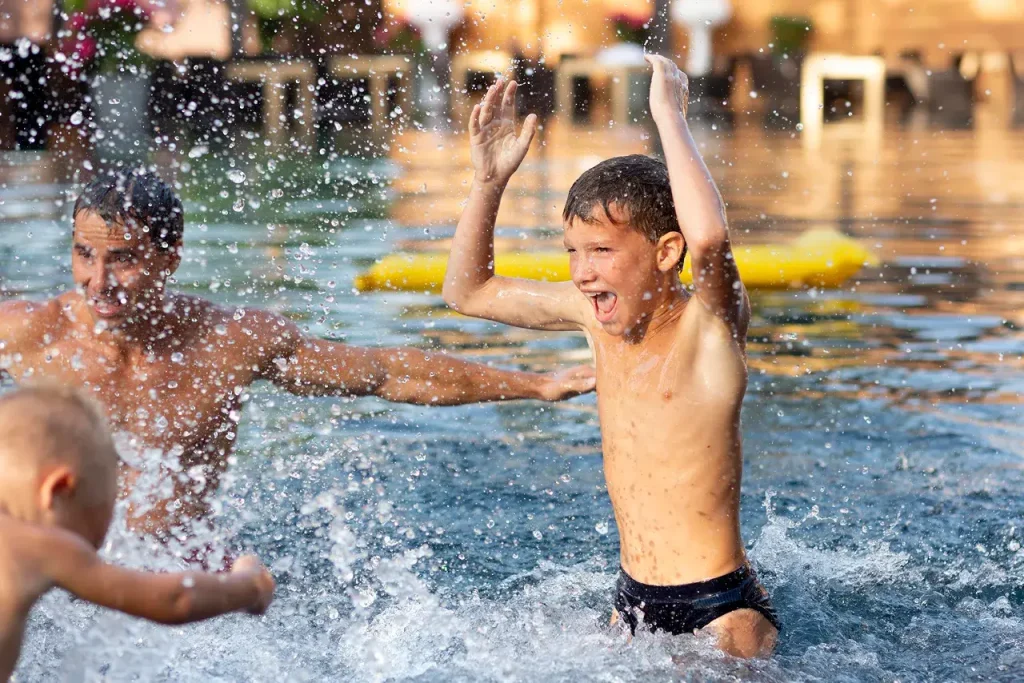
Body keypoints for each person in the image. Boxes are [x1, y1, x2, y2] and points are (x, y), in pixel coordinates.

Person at [0, 170, 595, 538]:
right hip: (60, 570)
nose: (98, 281)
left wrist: (536, 385)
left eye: (123, 259)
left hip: (182, 571)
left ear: (171, 255)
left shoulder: (227, 342)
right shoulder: (31, 334)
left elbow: (384, 374)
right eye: (84, 255)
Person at [441, 56, 779, 658]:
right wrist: (488, 184)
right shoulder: (592, 319)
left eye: (600, 250)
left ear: (666, 253)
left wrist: (669, 115)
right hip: (630, 600)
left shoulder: (709, 330)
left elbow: (709, 240)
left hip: (721, 610)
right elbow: (468, 292)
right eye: (572, 251)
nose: (581, 272)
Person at [0, 384, 275, 680]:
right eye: (105, 507)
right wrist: (249, 585)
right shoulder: (39, 546)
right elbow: (177, 600)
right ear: (59, 490)